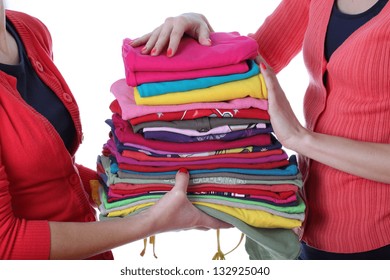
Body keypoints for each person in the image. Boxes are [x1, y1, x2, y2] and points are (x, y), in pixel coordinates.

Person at [131, 0, 390, 259]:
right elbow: (249, 66)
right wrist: (199, 29)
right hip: (301, 227)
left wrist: (301, 139)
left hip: (377, 239)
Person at [0, 2, 230, 260]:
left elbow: (50, 171)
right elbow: (6, 245)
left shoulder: (29, 30)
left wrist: (137, 183)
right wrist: (152, 220)